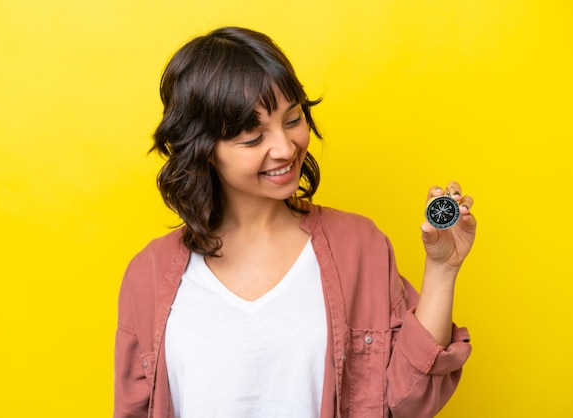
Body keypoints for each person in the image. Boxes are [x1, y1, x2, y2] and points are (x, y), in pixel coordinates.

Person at [114, 26, 476, 418]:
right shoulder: (147, 276)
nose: (285, 149)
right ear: (203, 149)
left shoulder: (359, 246)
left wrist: (442, 268)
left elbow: (409, 402)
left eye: (292, 119)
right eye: (253, 137)